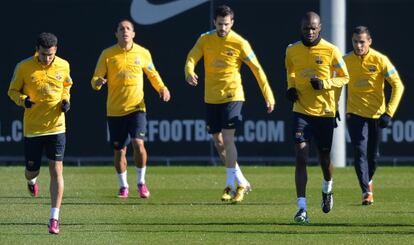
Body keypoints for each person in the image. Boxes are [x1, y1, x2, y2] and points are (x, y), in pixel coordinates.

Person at [184, 5, 275, 204]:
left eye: (226, 24)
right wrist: (189, 72)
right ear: (214, 23)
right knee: (218, 143)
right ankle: (241, 181)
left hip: (233, 96)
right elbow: (191, 57)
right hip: (211, 98)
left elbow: (257, 69)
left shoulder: (240, 43)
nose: (223, 28)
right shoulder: (205, 39)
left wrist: (268, 95)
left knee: (227, 138)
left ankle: (230, 185)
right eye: (219, 24)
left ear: (232, 23)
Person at [91, 20, 170, 199]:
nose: (125, 31)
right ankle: (123, 185)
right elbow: (95, 79)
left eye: (128, 29)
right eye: (121, 29)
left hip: (137, 108)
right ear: (116, 34)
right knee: (119, 151)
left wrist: (162, 88)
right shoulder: (108, 54)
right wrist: (97, 83)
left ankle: (141, 182)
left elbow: (153, 74)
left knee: (138, 143)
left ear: (133, 34)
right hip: (115, 110)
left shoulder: (142, 53)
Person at [285, 12, 349, 224]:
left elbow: (345, 77)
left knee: (324, 159)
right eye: (306, 29)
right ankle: (301, 208)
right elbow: (290, 71)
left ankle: (327, 187)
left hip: (324, 112)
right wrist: (291, 88)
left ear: (320, 27)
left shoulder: (331, 50)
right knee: (301, 156)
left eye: (313, 28)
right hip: (301, 110)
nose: (310, 32)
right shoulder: (292, 50)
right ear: (300, 28)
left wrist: (325, 84)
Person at [8, 32, 72, 234]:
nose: (47, 58)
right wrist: (24, 100)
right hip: (33, 129)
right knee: (32, 170)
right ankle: (31, 180)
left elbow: (66, 86)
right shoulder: (24, 66)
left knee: (56, 170)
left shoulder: (63, 65)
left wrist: (65, 101)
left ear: (56, 51)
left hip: (56, 127)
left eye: (51, 54)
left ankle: (54, 218)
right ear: (37, 50)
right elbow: (12, 91)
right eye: (44, 54)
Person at [344, 26, 404, 205]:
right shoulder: (345, 60)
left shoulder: (380, 60)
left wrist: (389, 112)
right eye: (355, 41)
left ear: (369, 41)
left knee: (373, 156)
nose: (359, 45)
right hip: (354, 114)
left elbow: (398, 85)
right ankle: (365, 192)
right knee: (359, 151)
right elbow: (335, 84)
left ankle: (368, 183)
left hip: (377, 115)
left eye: (362, 42)